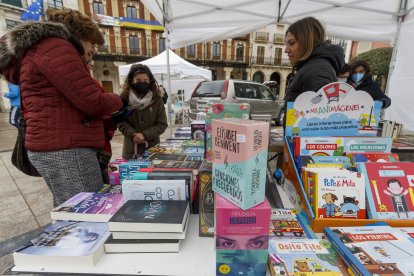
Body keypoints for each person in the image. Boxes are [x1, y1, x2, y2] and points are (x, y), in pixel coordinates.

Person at [0, 8, 123, 207]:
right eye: (92, 43)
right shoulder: (55, 47)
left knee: (70, 208)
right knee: (88, 211)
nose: (93, 50)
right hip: (67, 148)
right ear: (80, 35)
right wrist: (119, 99)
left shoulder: (41, 49)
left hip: (57, 145)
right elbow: (94, 102)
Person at [284, 17, 345, 104]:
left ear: (307, 41)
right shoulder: (314, 67)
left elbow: (317, 113)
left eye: (292, 43)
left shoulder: (317, 70)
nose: (286, 50)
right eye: (286, 44)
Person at [117, 64, 168, 159]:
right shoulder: (124, 98)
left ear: (150, 81)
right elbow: (120, 121)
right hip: (131, 149)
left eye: (145, 81)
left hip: (152, 149)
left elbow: (162, 124)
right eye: (138, 80)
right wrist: (134, 135)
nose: (142, 83)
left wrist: (144, 135)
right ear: (132, 81)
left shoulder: (157, 99)